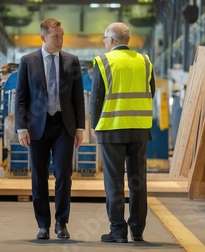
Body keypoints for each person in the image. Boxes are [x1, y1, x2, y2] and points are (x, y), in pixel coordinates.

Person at [15, 17, 85, 240]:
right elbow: (21, 97)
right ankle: (43, 224)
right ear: (43, 37)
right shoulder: (28, 61)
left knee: (64, 175)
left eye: (62, 35)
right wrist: (21, 127)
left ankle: (62, 223)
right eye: (56, 36)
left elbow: (77, 97)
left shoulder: (71, 61)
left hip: (64, 126)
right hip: (37, 127)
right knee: (39, 176)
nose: (60, 39)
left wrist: (81, 127)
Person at [90, 22, 155, 243]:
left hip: (111, 129)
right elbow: (151, 91)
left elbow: (96, 97)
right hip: (139, 128)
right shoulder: (144, 62)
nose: (104, 43)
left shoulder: (104, 61)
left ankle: (118, 231)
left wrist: (95, 126)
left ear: (111, 40)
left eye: (104, 39)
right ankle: (137, 230)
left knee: (114, 181)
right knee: (138, 181)